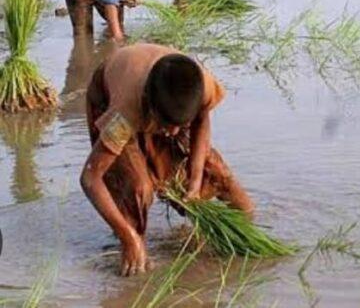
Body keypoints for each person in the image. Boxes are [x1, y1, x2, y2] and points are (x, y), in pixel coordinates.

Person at [81, 43, 254, 276]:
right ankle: (132, 248)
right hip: (110, 92)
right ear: (150, 108)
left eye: (179, 127)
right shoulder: (126, 111)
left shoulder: (201, 85)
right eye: (166, 126)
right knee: (137, 186)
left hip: (164, 99)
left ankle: (249, 226)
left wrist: (194, 179)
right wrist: (129, 237)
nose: (172, 134)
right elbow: (91, 178)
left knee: (215, 170)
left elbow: (202, 120)